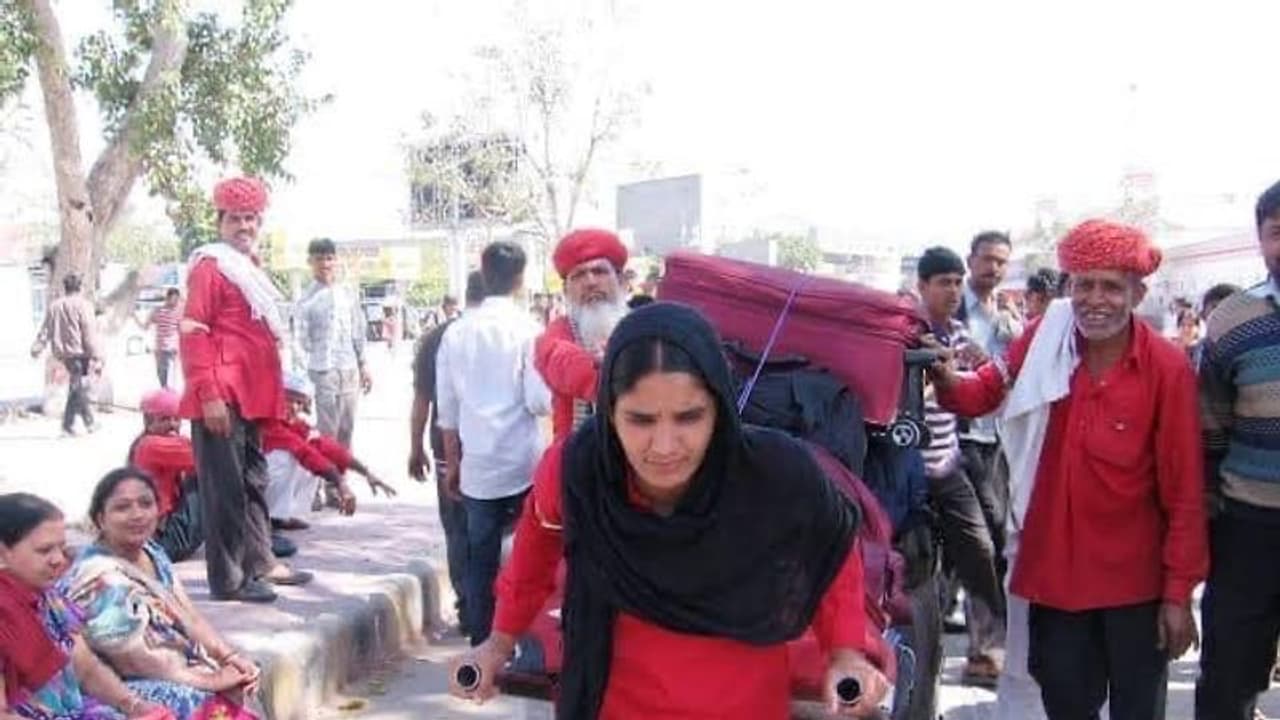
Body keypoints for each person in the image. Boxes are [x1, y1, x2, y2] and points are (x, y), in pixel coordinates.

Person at [449, 302, 890, 718]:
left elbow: (831, 552)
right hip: (615, 703)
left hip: (743, 706)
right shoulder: (578, 472)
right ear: (608, 412)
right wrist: (496, 644)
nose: (664, 447)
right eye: (640, 420)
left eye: (688, 417)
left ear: (719, 409)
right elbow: (534, 553)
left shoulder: (777, 474)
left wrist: (845, 653)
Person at [933, 219, 1207, 720]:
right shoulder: (1044, 338)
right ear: (1068, 288)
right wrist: (941, 374)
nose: (1095, 300)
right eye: (1084, 285)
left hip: (1135, 588)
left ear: (1138, 292)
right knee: (1063, 707)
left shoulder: (1167, 369)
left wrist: (1178, 595)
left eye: (1111, 287)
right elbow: (982, 393)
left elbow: (1185, 492)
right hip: (1053, 578)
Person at [179, 176, 312, 603]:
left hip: (251, 397)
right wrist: (208, 395)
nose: (244, 226)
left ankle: (261, 561)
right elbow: (193, 332)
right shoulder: (209, 267)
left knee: (254, 480)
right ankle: (230, 579)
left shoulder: (246, 268)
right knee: (225, 490)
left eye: (251, 219)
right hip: (221, 396)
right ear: (220, 222)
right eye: (235, 219)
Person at [60, 470, 262, 719]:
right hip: (111, 684)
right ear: (100, 519)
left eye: (146, 504)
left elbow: (188, 615)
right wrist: (210, 679)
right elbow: (134, 662)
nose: (137, 515)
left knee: (243, 680)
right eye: (122, 508)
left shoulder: (151, 551)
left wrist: (228, 657)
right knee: (198, 701)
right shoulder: (99, 578)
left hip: (168, 668)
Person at [435, 241, 551, 644]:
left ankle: (482, 641)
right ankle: (523, 641)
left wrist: (453, 465)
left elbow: (446, 410)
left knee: (479, 558)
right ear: (520, 279)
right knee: (528, 555)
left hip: (478, 468)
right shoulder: (529, 330)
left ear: (483, 275)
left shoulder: (456, 332)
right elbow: (538, 400)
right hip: (522, 463)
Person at [1196, 180, 1280, 720]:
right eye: (1277, 233)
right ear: (1260, 239)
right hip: (1250, 525)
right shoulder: (1232, 320)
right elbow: (1211, 421)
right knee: (1230, 675)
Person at [0, 492, 169, 719]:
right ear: (2, 553)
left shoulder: (50, 601)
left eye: (61, 548)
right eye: (44, 550)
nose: (58, 559)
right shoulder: (6, 613)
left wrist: (133, 705)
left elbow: (87, 670)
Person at [915, 247, 1005, 672]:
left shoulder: (959, 336)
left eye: (956, 281)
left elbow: (987, 378)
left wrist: (969, 372)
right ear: (922, 286)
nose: (952, 290)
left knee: (980, 549)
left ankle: (988, 649)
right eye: (943, 282)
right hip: (906, 470)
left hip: (948, 464)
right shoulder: (905, 333)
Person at [951, 229, 1021, 686]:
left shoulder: (1010, 321)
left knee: (992, 545)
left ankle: (987, 651)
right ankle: (978, 650)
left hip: (997, 442)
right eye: (986, 259)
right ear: (970, 259)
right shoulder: (950, 310)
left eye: (1001, 261)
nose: (993, 268)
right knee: (972, 547)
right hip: (953, 442)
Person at [408, 271, 485, 632]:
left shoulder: (436, 338)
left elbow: (422, 400)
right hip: (497, 449)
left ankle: (468, 607)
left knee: (457, 529)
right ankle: (489, 606)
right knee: (495, 528)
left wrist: (415, 447)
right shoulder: (515, 332)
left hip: (446, 446)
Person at [534, 228, 630, 440]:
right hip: (577, 458)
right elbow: (560, 362)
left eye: (599, 272)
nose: (590, 282)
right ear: (566, 291)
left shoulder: (641, 325)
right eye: (578, 276)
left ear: (621, 281)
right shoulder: (556, 333)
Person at [261, 372, 387, 531]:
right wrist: (341, 484)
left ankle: (280, 517)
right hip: (247, 488)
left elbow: (325, 447)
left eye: (299, 403)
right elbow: (305, 452)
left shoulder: (294, 424)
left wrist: (366, 472)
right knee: (287, 458)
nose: (295, 407)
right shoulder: (268, 423)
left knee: (314, 457)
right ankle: (267, 519)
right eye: (290, 400)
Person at [293, 238, 370, 451]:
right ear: (310, 262)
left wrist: (364, 365)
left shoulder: (347, 294)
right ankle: (329, 479)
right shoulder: (306, 300)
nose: (325, 264)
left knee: (347, 428)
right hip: (322, 370)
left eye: (329, 259)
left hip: (349, 369)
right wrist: (302, 383)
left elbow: (358, 331)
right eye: (319, 259)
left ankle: (342, 476)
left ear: (336, 261)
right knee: (328, 430)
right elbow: (300, 342)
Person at [127, 389, 203, 563]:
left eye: (176, 419)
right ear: (148, 422)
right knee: (209, 478)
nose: (172, 425)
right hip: (165, 542)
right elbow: (204, 458)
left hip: (162, 534)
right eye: (164, 419)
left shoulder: (145, 443)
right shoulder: (153, 445)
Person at [31, 273, 101, 437]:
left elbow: (45, 329)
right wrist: (96, 354)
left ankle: (89, 421)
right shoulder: (84, 305)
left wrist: (37, 346)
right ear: (79, 287)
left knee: (77, 386)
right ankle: (68, 425)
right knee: (76, 387)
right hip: (79, 352)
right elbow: (88, 332)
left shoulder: (55, 306)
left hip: (63, 353)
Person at [136, 289, 183, 390]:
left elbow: (181, 330)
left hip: (172, 348)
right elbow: (145, 327)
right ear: (167, 298)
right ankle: (165, 392)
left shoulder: (178, 313)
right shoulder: (158, 311)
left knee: (169, 376)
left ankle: (168, 393)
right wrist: (134, 317)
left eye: (177, 300)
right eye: (174, 300)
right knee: (161, 375)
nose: (176, 303)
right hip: (160, 348)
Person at [1188, 283, 1240, 372]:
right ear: (1202, 315)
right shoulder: (1195, 353)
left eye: (1229, 308)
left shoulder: (1247, 351)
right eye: (1215, 308)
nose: (1221, 314)